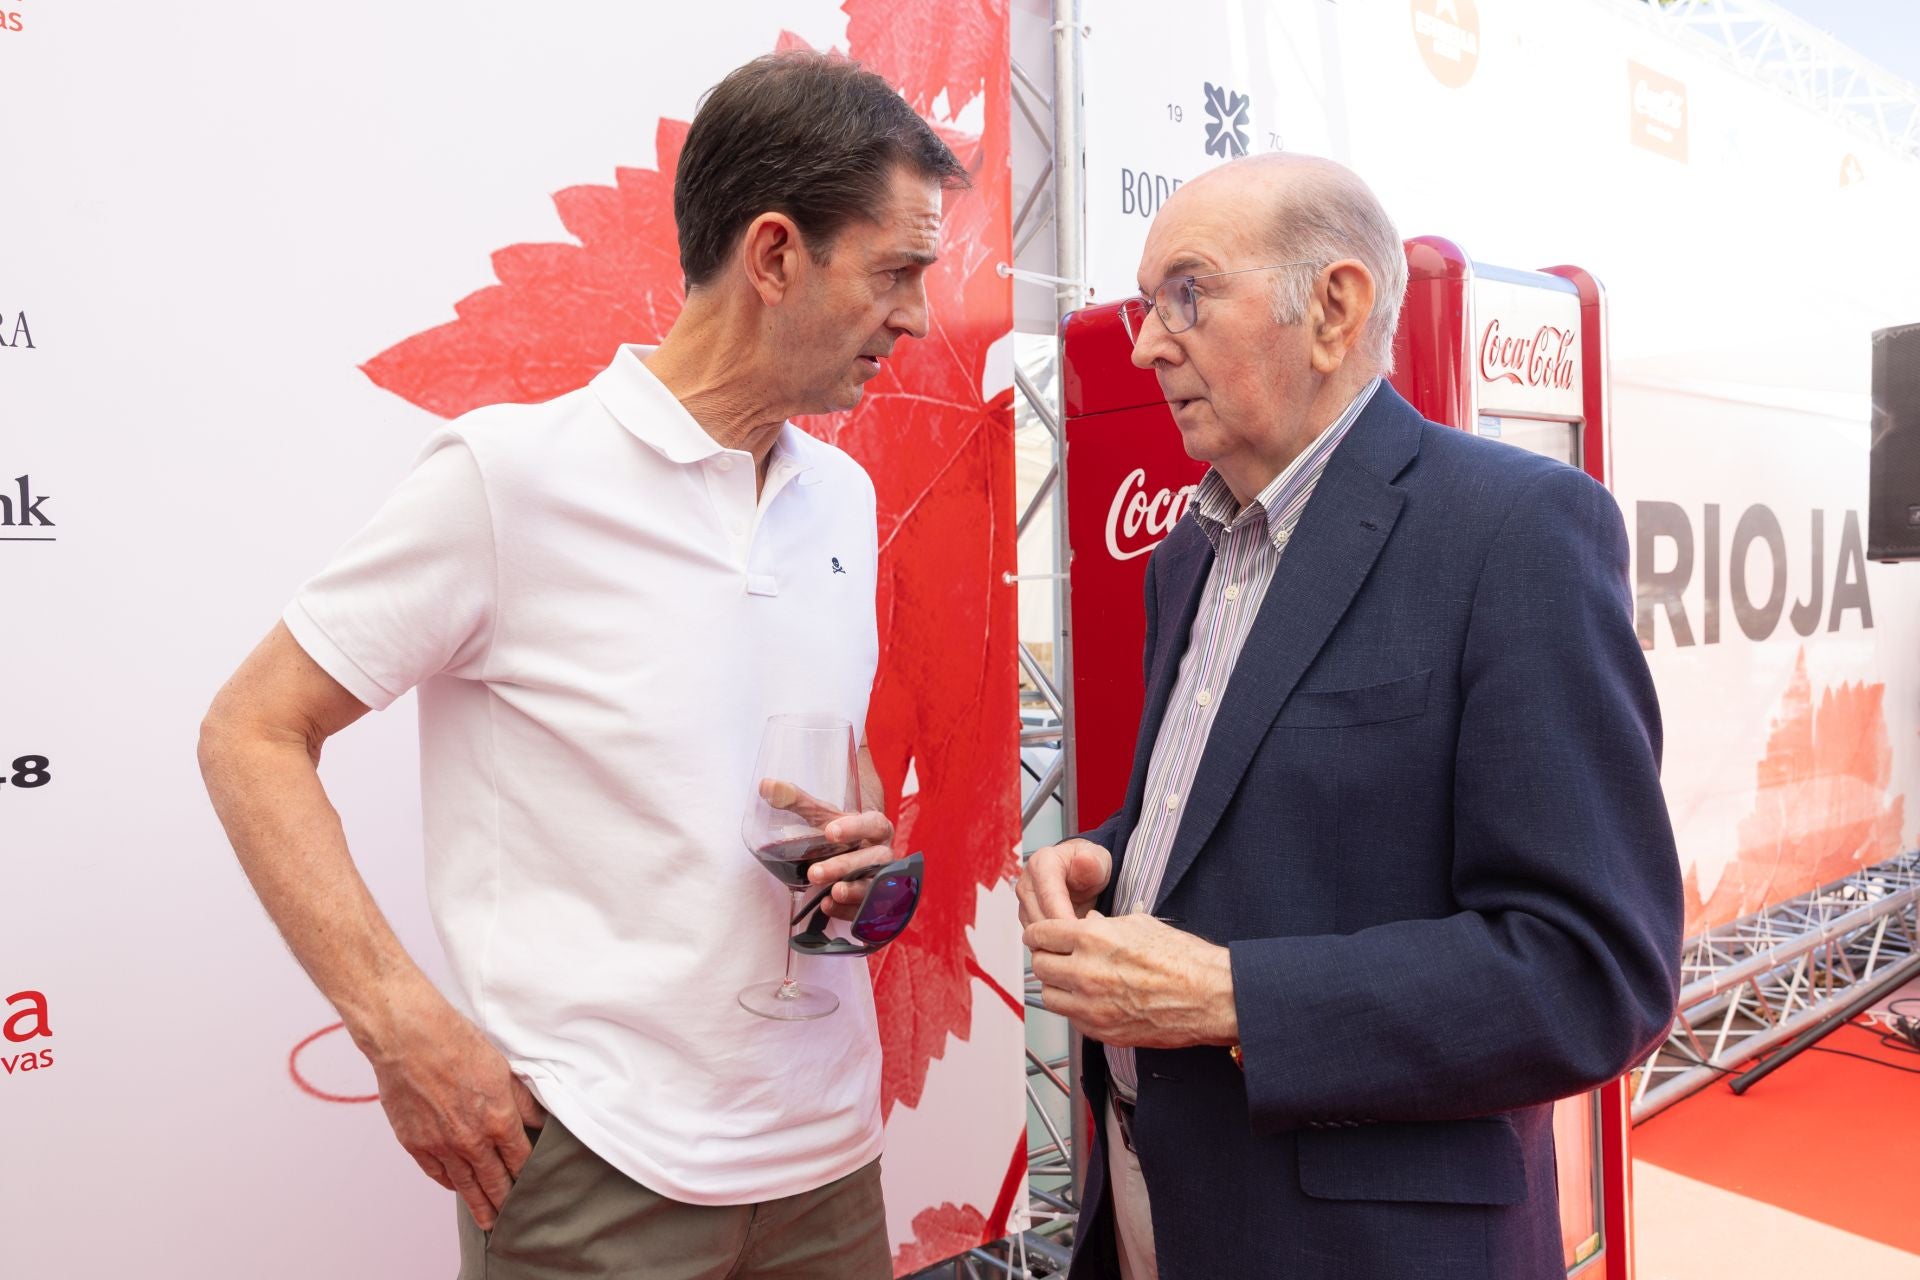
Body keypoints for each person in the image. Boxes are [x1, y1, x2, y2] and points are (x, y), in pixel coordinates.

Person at [197, 51, 966, 1279]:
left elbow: (813, 760)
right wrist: (402, 1028)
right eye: (897, 272)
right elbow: (249, 730)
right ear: (774, 255)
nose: (920, 316)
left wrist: (860, 848)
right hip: (598, 1165)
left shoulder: (845, 495)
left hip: (831, 1155)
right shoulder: (511, 478)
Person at [1016, 153, 1683, 1280]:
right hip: (1152, 1209)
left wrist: (1231, 997)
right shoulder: (1187, 552)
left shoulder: (1514, 532)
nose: (1144, 344)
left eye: (1186, 293)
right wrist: (1115, 854)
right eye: (1142, 304)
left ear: (1333, 308)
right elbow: (1240, 805)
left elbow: (1591, 968)